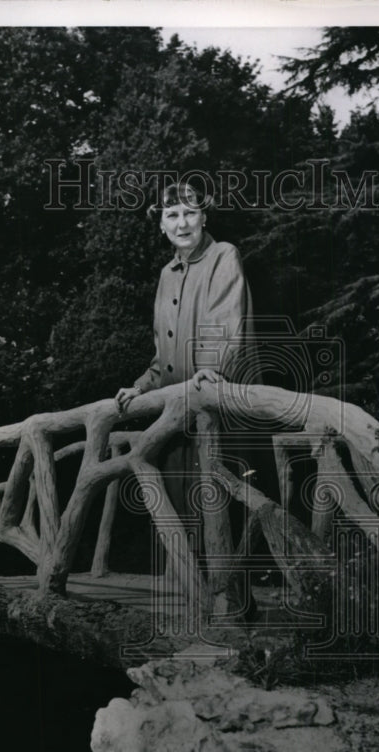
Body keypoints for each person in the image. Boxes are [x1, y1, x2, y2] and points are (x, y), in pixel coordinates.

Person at [115, 181, 259, 523]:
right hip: (177, 418)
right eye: (172, 215)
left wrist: (212, 369)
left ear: (204, 217)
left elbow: (224, 323)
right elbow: (161, 356)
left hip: (219, 407)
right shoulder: (167, 275)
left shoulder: (224, 255)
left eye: (190, 213)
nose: (182, 223)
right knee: (182, 513)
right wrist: (141, 387)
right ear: (161, 225)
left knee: (225, 508)